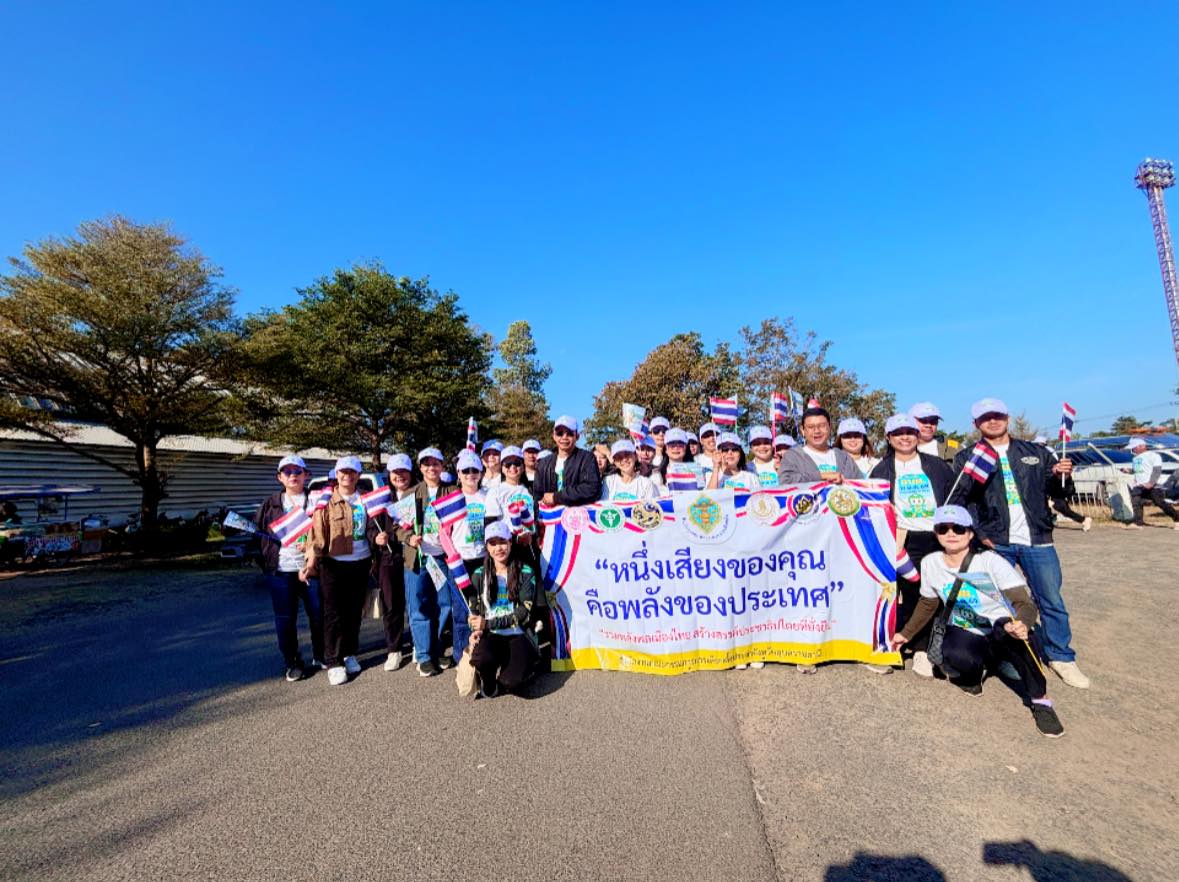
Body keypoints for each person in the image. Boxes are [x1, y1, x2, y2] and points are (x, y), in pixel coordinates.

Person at [949, 397, 1089, 689]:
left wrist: (1061, 476)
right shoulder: (968, 457)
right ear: (976, 424)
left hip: (1037, 539)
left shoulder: (1036, 452)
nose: (992, 421)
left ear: (1008, 418)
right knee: (993, 601)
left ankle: (1060, 656)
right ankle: (1000, 655)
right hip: (996, 541)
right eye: (985, 417)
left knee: (1050, 599)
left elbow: (1060, 493)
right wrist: (980, 532)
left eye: (997, 415)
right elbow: (963, 500)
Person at [891, 505, 1064, 738]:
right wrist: (905, 634)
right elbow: (927, 605)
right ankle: (981, 669)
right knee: (953, 657)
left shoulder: (990, 561)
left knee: (1020, 641)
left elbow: (1024, 603)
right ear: (936, 533)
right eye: (943, 529)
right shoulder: (931, 563)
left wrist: (1022, 623)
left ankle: (1041, 701)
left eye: (958, 528)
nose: (951, 534)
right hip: (966, 629)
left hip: (1001, 627)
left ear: (970, 533)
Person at [869, 414, 954, 678]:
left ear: (917, 435)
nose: (904, 437)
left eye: (909, 432)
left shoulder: (936, 466)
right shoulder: (881, 469)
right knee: (901, 593)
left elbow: (954, 498)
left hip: (935, 536)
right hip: (901, 538)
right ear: (888, 438)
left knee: (930, 593)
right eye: (897, 433)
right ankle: (893, 644)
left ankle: (921, 650)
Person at [302, 455, 378, 687]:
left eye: (352, 472)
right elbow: (316, 536)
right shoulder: (325, 501)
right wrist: (310, 563)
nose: (347, 476)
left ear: (358, 475)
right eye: (343, 472)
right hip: (333, 564)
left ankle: (349, 653)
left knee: (354, 612)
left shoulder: (367, 499)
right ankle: (334, 661)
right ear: (336, 475)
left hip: (361, 562)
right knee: (333, 614)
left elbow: (374, 527)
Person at [255, 454, 324, 682]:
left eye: (297, 471)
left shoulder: (316, 500)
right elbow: (259, 535)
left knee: (318, 613)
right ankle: (292, 662)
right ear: (280, 477)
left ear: (306, 475)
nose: (293, 475)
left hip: (312, 568)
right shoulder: (270, 504)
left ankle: (320, 653)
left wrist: (313, 551)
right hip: (281, 571)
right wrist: (267, 562)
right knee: (285, 618)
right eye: (287, 472)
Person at [395, 447, 457, 677]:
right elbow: (397, 528)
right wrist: (409, 537)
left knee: (444, 603)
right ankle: (423, 655)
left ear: (442, 466)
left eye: (436, 463)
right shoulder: (410, 495)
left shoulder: (452, 491)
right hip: (418, 558)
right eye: (427, 464)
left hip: (442, 557)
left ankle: (437, 648)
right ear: (420, 468)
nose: (432, 468)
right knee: (419, 604)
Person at [466, 521, 539, 698]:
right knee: (481, 658)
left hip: (518, 633)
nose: (498, 548)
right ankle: (488, 680)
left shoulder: (525, 571)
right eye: (493, 543)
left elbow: (523, 613)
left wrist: (487, 624)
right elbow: (474, 611)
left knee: (512, 682)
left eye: (503, 542)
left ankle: (522, 664)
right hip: (491, 634)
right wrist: (474, 629)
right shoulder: (478, 574)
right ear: (487, 547)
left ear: (510, 543)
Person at [373, 453, 413, 672]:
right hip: (389, 557)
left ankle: (419, 644)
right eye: (395, 472)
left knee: (417, 602)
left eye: (403, 471)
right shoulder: (381, 499)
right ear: (389, 475)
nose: (400, 476)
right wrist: (375, 537)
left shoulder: (418, 493)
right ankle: (394, 649)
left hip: (415, 554)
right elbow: (370, 526)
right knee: (392, 605)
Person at [777, 407, 861, 484]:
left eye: (822, 426)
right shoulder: (792, 457)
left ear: (830, 427)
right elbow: (785, 481)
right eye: (811, 427)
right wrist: (821, 476)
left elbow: (861, 484)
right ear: (802, 430)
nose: (817, 431)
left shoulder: (844, 458)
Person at [533, 416, 603, 507]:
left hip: (578, 514)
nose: (564, 437)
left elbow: (592, 489)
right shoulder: (544, 463)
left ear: (577, 436)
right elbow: (537, 497)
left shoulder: (587, 458)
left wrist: (557, 497)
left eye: (569, 433)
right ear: (554, 436)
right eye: (560, 433)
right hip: (550, 515)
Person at [1127, 437, 1179, 530]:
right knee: (1136, 502)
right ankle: (1138, 523)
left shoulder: (1153, 456)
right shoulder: (1135, 458)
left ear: (1142, 446)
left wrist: (1151, 483)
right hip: (1139, 485)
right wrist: (1129, 471)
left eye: (1134, 447)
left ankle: (1177, 519)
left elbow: (1157, 471)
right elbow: (1138, 470)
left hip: (1152, 485)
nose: (1132, 449)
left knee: (1160, 502)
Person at [659, 428, 703, 494]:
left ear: (686, 448)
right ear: (666, 449)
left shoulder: (695, 469)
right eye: (672, 444)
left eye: (680, 444)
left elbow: (701, 493)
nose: (676, 448)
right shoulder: (657, 474)